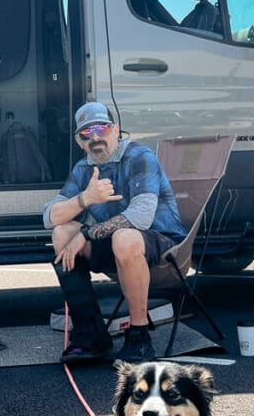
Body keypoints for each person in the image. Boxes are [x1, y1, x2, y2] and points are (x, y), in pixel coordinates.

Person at [43, 102, 187, 364]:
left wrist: (86, 235)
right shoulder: (82, 169)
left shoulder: (140, 156)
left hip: (162, 243)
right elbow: (49, 217)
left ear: (116, 130)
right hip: (114, 246)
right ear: (79, 140)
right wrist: (84, 199)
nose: (95, 137)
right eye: (87, 133)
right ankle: (90, 335)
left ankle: (139, 336)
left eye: (101, 128)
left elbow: (141, 218)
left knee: (124, 236)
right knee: (62, 233)